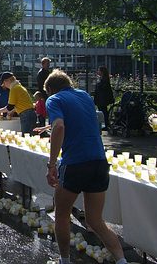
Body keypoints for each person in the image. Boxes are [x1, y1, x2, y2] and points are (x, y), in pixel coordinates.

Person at [40, 69, 127, 264]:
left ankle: (64, 260)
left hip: (76, 163)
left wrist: (51, 164)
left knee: (61, 215)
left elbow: (60, 126)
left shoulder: (53, 100)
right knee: (96, 221)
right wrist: (49, 127)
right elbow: (80, 120)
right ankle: (122, 261)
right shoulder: (85, 96)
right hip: (98, 162)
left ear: (51, 89)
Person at [93, 66, 114, 130]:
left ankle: (106, 125)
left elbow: (103, 88)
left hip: (102, 99)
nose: (97, 72)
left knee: (103, 111)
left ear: (102, 72)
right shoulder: (103, 79)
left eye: (99, 70)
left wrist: (98, 85)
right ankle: (106, 124)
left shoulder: (104, 80)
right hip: (101, 98)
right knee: (103, 111)